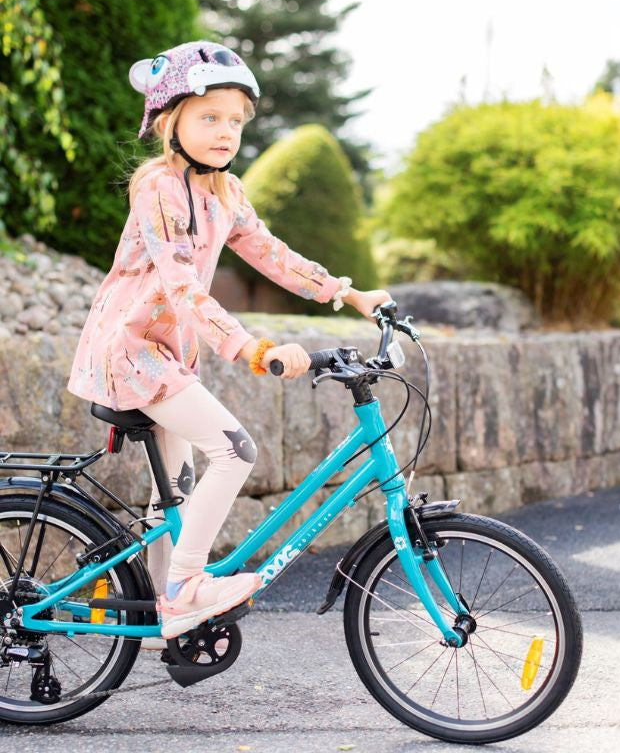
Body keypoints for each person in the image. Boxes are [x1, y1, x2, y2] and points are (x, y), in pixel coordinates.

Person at [66, 40, 391, 641]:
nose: (225, 131)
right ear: (170, 121)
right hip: (132, 352)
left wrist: (350, 295)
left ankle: (169, 610)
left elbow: (272, 255)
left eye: (236, 120)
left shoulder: (226, 192)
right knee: (236, 452)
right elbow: (182, 284)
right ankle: (186, 589)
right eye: (209, 116)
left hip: (167, 357)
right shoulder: (157, 188)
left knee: (178, 494)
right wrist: (250, 348)